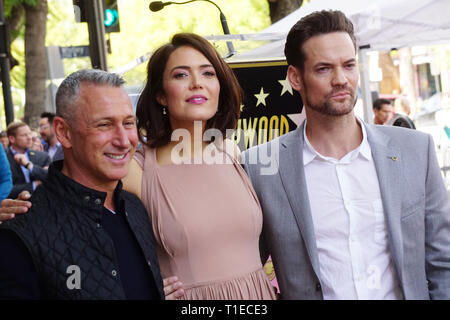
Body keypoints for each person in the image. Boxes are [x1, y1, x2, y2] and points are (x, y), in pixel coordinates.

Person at [243, 10, 450, 299]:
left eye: (349, 65)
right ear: (295, 77)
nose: (341, 79)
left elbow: (443, 261)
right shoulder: (260, 167)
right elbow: (240, 266)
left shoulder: (416, 151)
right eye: (324, 68)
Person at [122, 33, 276, 300]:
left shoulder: (230, 151)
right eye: (181, 75)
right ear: (160, 94)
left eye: (208, 73)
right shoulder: (136, 171)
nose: (197, 84)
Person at [0, 69, 165, 299]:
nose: (123, 140)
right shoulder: (21, 233)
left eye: (128, 123)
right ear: (63, 132)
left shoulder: (135, 208)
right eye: (104, 125)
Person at [5, 122, 51, 199]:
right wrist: (34, 185)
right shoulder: (4, 160)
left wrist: (29, 165)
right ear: (12, 139)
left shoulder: (42, 156)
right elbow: (5, 189)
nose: (29, 137)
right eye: (24, 135)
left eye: (29, 134)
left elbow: (51, 177)